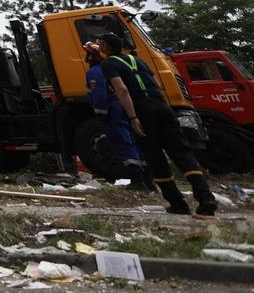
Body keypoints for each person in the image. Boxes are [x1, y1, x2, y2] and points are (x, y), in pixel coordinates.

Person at [97, 33, 217, 216]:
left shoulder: (108, 64)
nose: (99, 46)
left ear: (106, 46)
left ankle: (177, 203)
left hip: (143, 111)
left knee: (154, 157)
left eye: (101, 43)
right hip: (162, 107)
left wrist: (133, 117)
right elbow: (157, 85)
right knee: (182, 152)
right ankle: (205, 197)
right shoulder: (137, 60)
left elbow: (122, 89)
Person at [83, 42, 150, 187]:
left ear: (93, 57)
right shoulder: (111, 68)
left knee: (122, 142)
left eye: (88, 54)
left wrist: (101, 114)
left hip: (112, 111)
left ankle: (137, 181)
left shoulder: (94, 72)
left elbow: (99, 95)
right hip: (124, 107)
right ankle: (147, 179)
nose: (86, 57)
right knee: (133, 141)